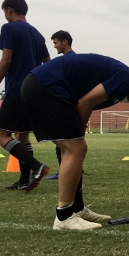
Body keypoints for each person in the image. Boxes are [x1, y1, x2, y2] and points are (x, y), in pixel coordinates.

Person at [21, 53, 129, 230]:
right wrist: (79, 133)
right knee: (76, 148)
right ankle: (64, 217)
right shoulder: (126, 80)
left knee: (73, 149)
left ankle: (77, 208)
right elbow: (85, 103)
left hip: (43, 85)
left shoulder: (124, 80)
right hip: (45, 86)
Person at [0, 0, 51, 191]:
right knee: (22, 137)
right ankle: (24, 181)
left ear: (9, 10)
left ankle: (37, 166)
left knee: (1, 136)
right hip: (33, 92)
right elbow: (47, 63)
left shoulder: (9, 28)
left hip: (17, 90)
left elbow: (6, 60)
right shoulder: (37, 35)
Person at [46, 30, 76, 180]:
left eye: (56, 43)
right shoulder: (67, 60)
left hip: (67, 106)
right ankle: (74, 167)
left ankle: (64, 170)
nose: (55, 46)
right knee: (69, 141)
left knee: (63, 141)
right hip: (67, 105)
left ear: (65, 42)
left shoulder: (70, 61)